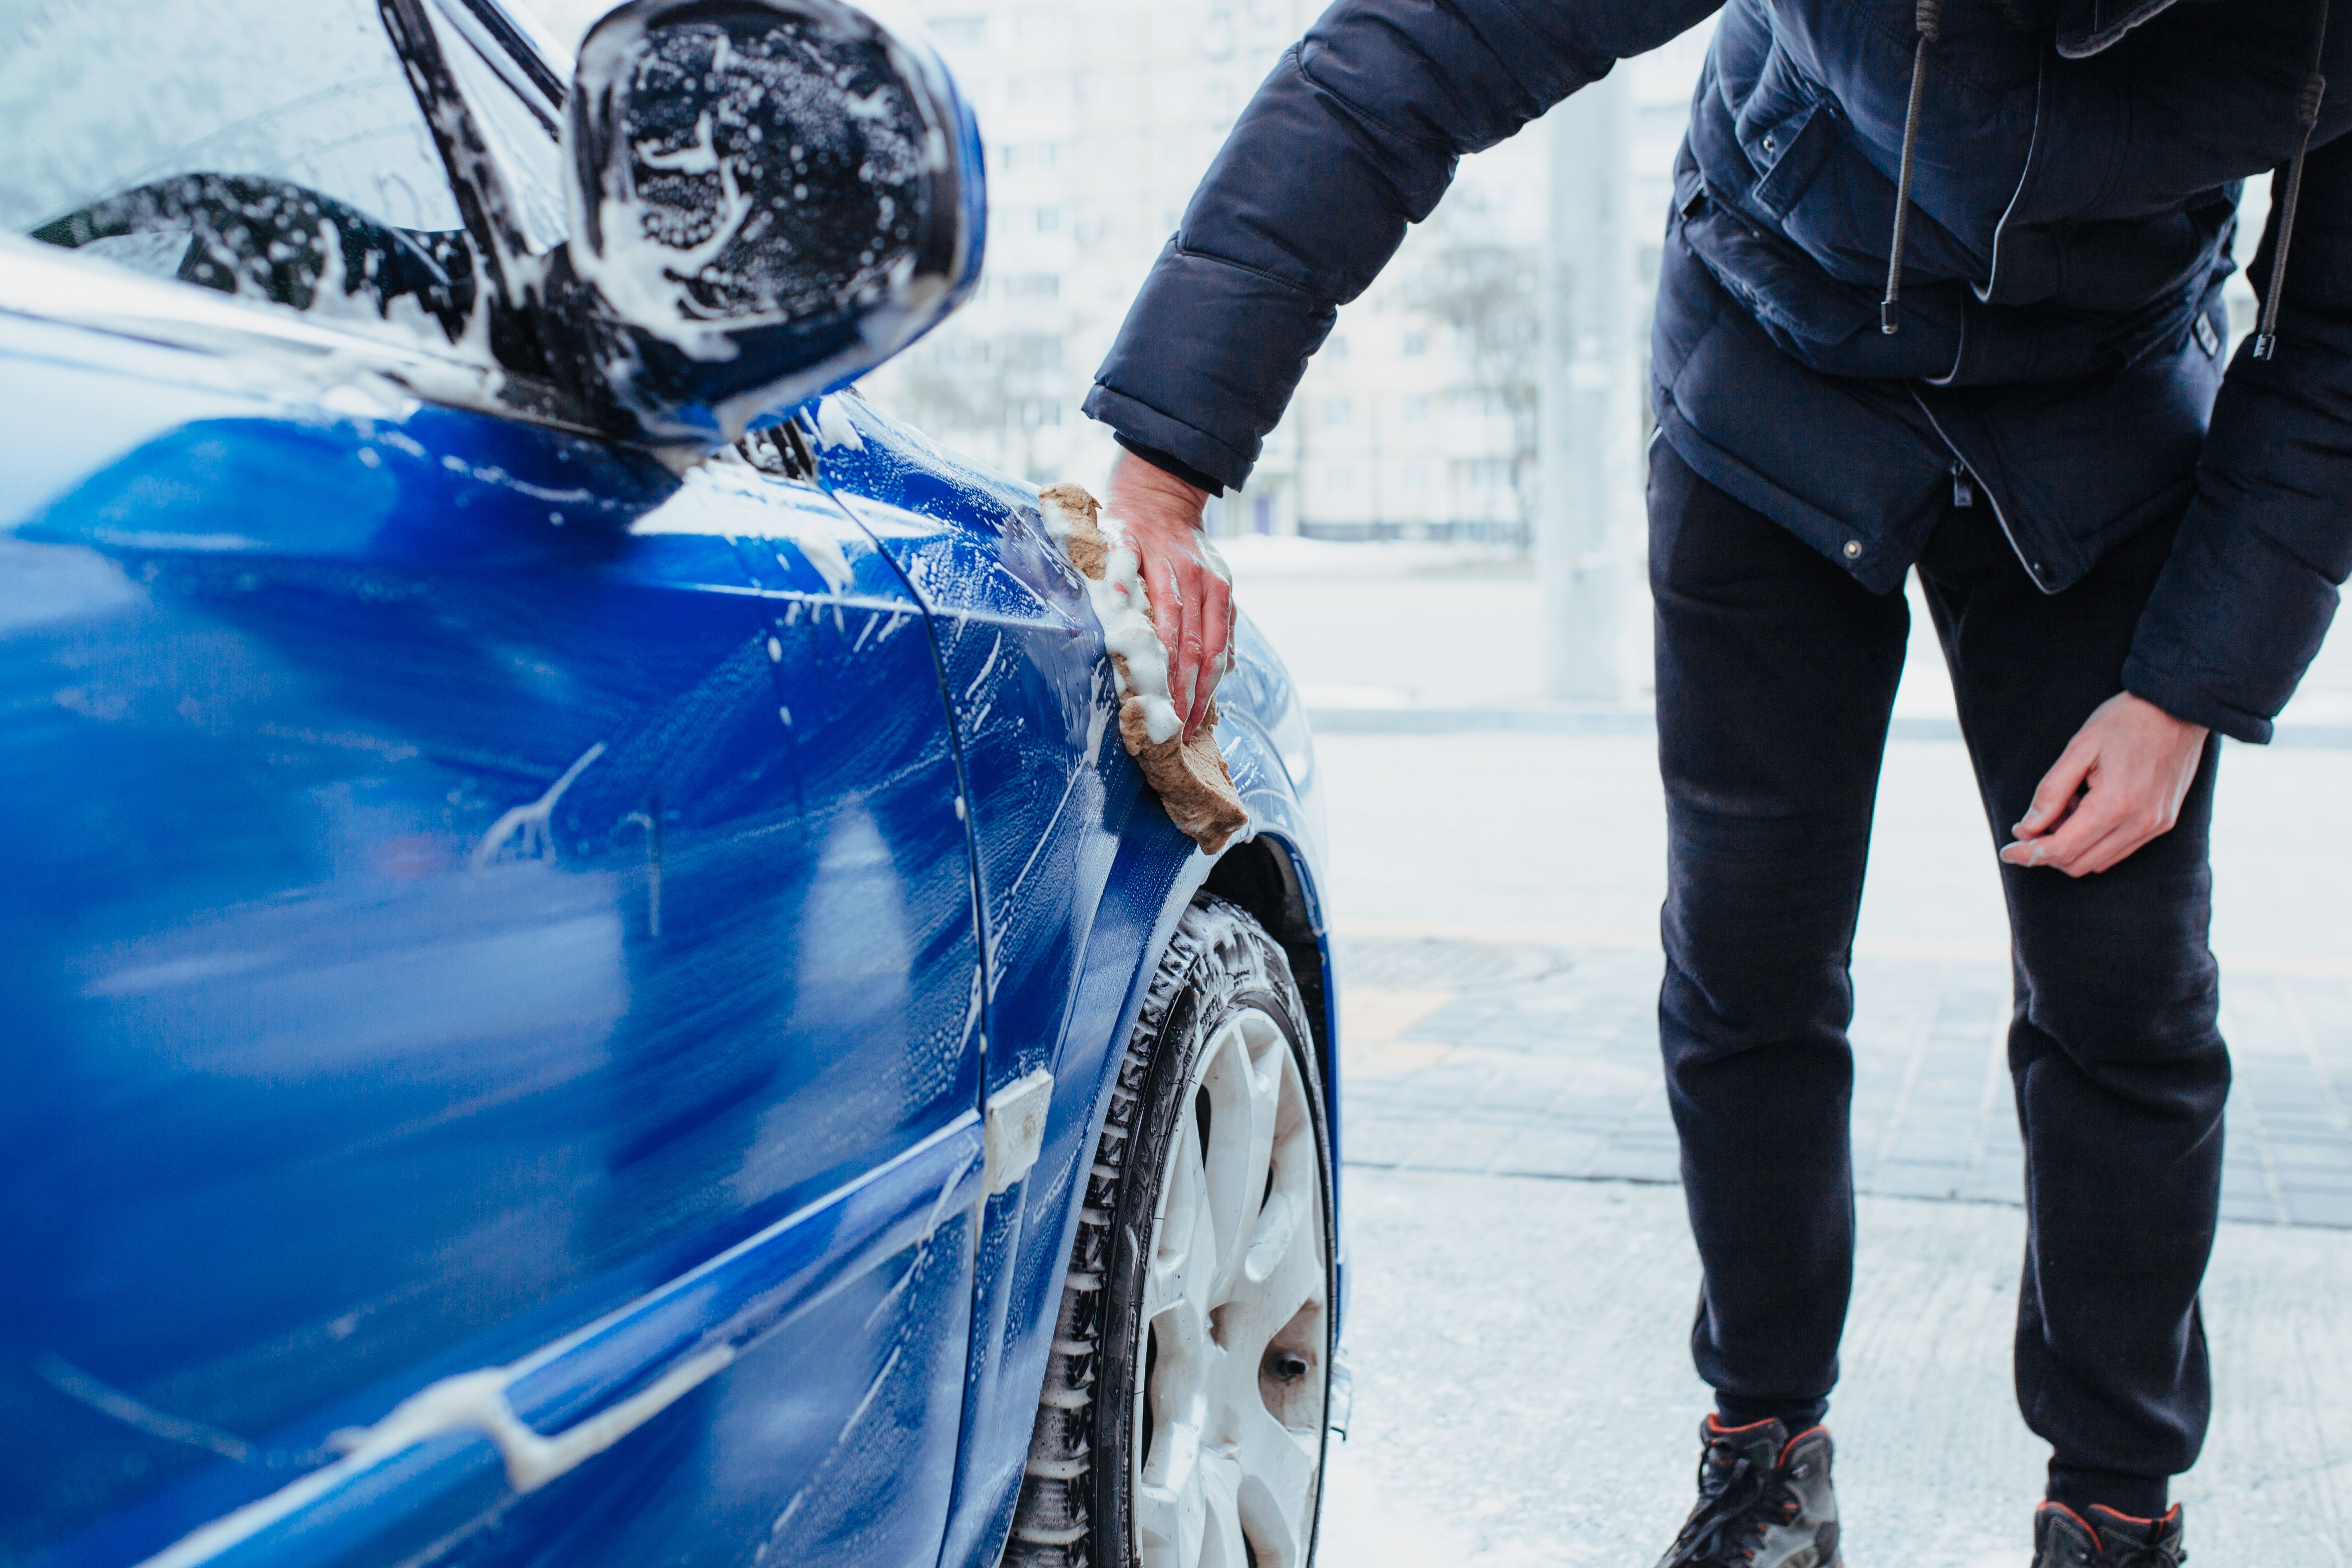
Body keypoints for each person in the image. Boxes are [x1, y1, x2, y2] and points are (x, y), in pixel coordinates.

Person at [1083, 2, 2352, 1563]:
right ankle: (1765, 1454)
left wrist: (2187, 689)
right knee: (1751, 952)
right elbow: (1417, 55)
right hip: (1777, 369)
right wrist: (1165, 461)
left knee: (2130, 992)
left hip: (2110, 419)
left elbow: (2338, 350)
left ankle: (2114, 1502)